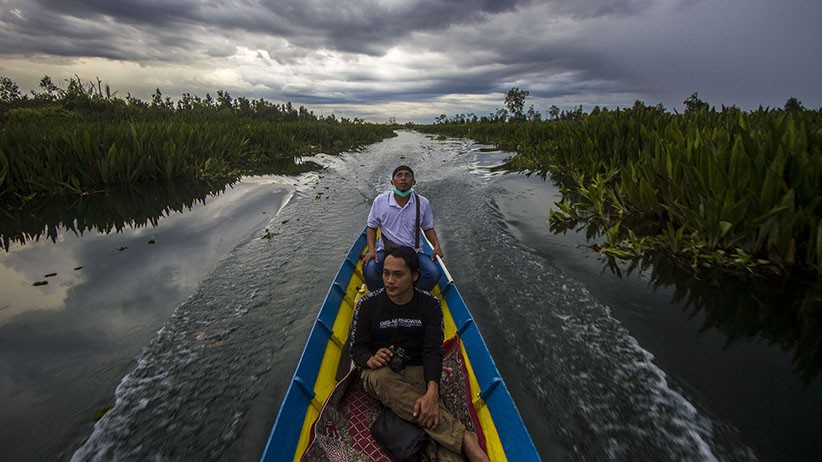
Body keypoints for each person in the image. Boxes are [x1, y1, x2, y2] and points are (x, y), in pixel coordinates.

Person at [350, 247, 489, 462]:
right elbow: (356, 349)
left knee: (428, 409)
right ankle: (465, 439)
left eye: (398, 274)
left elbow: (432, 351)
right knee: (385, 380)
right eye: (385, 273)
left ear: (415, 276)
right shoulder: (368, 305)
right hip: (380, 373)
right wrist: (370, 358)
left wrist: (432, 391)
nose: (389, 280)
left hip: (416, 369)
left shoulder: (430, 305)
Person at [362, 165, 443, 292]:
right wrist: (371, 250)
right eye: (399, 175)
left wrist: (436, 246)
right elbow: (372, 228)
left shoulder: (422, 203)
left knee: (433, 273)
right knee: (369, 268)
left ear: (413, 182)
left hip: (413, 252)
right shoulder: (380, 201)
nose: (403, 178)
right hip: (387, 251)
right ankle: (381, 297)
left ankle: (411, 296)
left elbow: (428, 228)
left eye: (407, 175)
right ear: (392, 182)